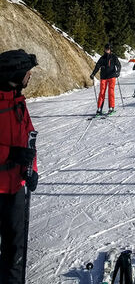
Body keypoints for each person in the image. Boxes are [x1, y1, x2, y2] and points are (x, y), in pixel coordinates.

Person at [0, 49, 39, 284]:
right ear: (13, 76)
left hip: (15, 187)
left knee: (15, 249)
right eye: (27, 73)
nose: (29, 77)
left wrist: (32, 168)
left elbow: (29, 138)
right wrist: (11, 154)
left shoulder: (19, 102)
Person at [90, 43, 121, 116]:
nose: (107, 50)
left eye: (108, 49)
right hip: (103, 77)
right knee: (102, 93)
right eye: (106, 49)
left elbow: (118, 65)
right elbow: (97, 67)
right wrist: (93, 74)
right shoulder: (102, 58)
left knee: (110, 92)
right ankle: (99, 109)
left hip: (112, 76)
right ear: (104, 49)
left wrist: (118, 72)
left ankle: (111, 108)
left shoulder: (113, 57)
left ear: (110, 50)